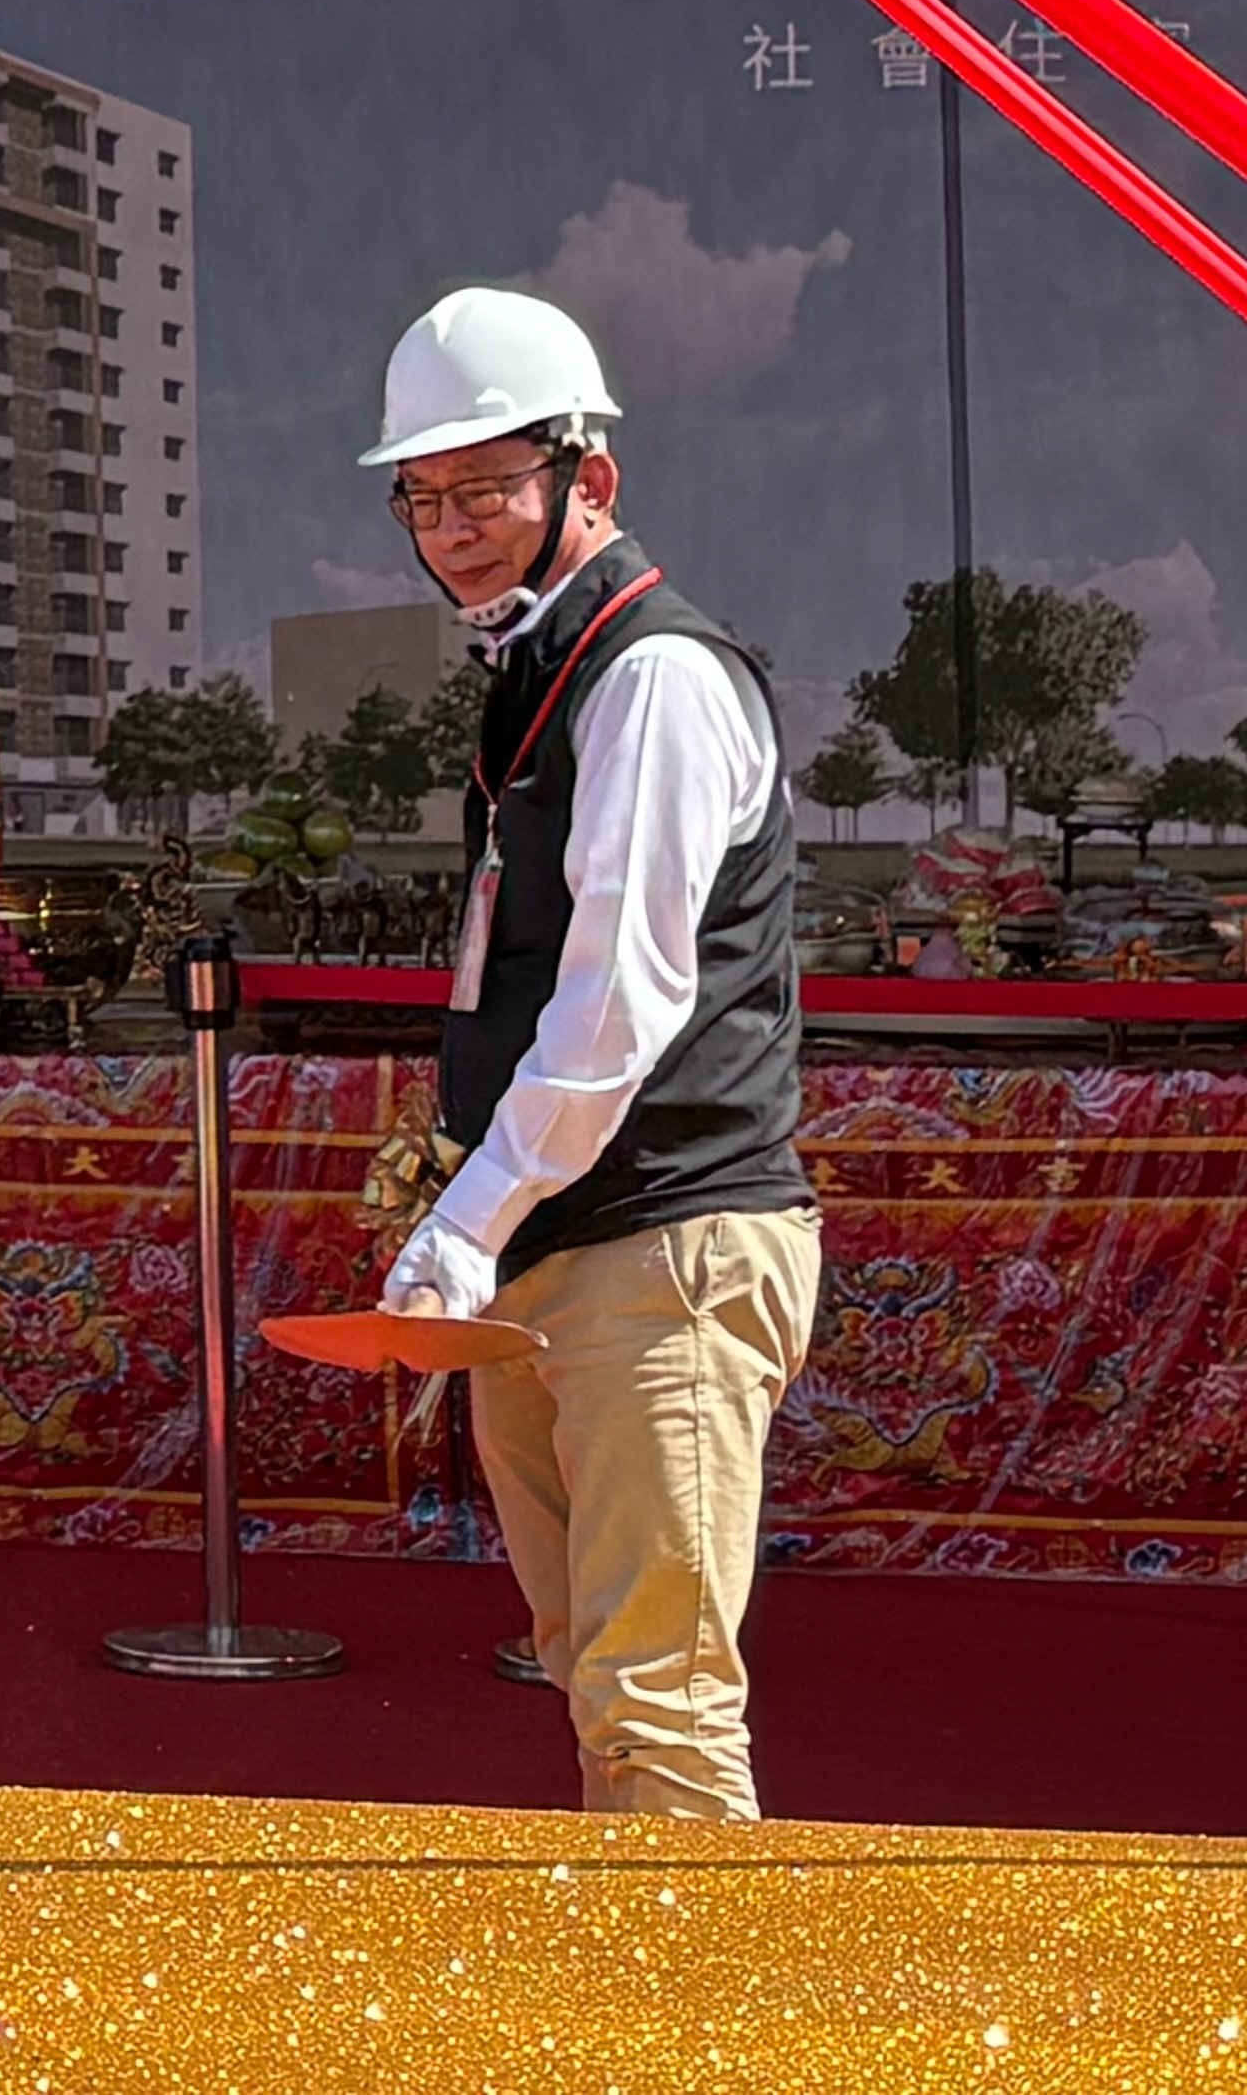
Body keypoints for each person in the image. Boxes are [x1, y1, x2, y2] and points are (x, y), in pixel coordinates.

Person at [362, 288, 819, 1824]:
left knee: (660, 1700)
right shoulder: (545, 676)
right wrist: (487, 1211)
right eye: (423, 498)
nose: (453, 530)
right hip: (569, 1244)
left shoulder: (657, 676)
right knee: (593, 1671)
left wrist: (471, 1212)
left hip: (664, 1243)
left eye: (488, 488)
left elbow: (622, 998)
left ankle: (706, 2047)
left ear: (588, 479)